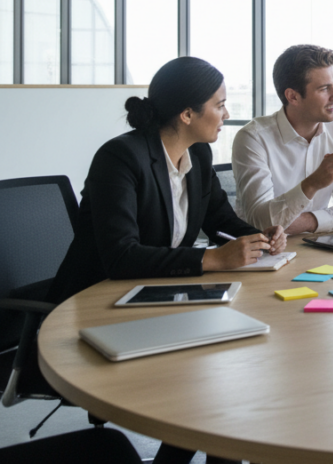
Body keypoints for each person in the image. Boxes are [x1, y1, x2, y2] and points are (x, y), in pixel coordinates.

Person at [47, 57, 286, 464]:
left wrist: (260, 236)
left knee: (224, 386)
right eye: (220, 104)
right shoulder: (120, 158)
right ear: (188, 113)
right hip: (101, 305)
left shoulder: (200, 157)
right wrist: (211, 259)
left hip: (159, 296)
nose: (226, 114)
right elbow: (121, 257)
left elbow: (222, 221)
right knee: (219, 389)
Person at [233, 44, 333, 234]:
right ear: (293, 96)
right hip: (263, 254)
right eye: (324, 89)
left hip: (315, 248)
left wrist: (305, 222)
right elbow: (260, 221)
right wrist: (312, 184)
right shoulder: (253, 138)